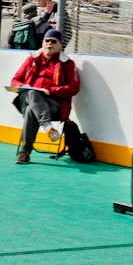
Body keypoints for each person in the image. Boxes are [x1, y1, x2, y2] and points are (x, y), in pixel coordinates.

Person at [11, 29, 80, 165]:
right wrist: (23, 86)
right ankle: (49, 128)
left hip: (53, 104)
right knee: (32, 93)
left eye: (53, 41)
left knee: (31, 109)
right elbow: (15, 80)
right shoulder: (32, 59)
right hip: (29, 98)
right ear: (42, 43)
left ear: (60, 45)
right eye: (47, 41)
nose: (49, 44)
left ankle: (25, 152)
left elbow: (74, 87)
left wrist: (50, 91)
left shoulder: (67, 64)